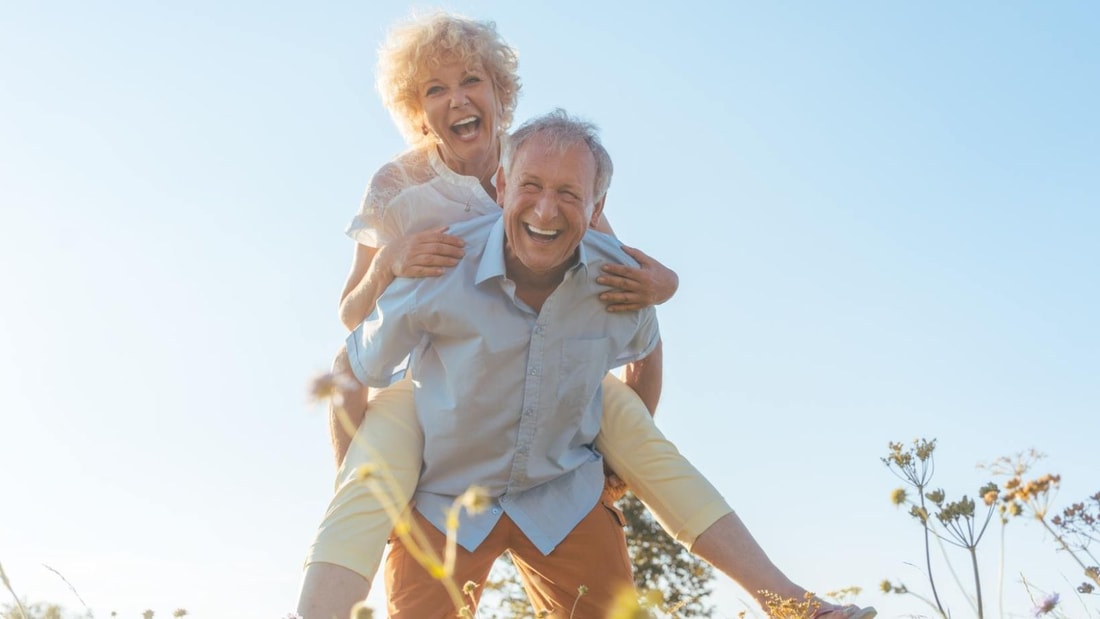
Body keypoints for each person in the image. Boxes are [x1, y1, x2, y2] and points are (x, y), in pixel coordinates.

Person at [295, 13, 875, 619]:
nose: (457, 99)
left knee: (639, 436)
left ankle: (789, 602)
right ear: (417, 108)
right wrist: (390, 260)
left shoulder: (545, 167)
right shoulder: (404, 191)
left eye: (471, 81)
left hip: (553, 397)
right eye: (434, 89)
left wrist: (666, 287)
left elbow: (621, 282)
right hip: (444, 388)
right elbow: (351, 324)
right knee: (371, 472)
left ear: (500, 94)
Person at [346, 110, 659, 615]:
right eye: (530, 185)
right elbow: (351, 367)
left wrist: (616, 473)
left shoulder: (618, 280)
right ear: (502, 185)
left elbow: (645, 347)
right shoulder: (440, 265)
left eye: (569, 194)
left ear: (597, 205)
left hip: (565, 496)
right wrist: (368, 498)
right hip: (442, 498)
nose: (545, 210)